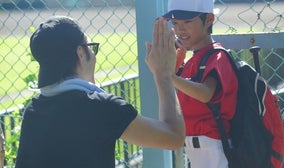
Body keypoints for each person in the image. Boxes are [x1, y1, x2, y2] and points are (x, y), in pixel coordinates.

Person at [15, 16, 185, 168]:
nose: (94, 56)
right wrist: (163, 73)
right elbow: (173, 137)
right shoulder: (101, 107)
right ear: (80, 53)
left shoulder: (33, 110)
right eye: (91, 47)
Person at [162, 0, 238, 167]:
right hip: (196, 146)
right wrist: (172, 68)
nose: (180, 29)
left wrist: (170, 77)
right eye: (175, 23)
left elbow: (206, 93)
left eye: (188, 21)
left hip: (215, 146)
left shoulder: (217, 56)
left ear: (209, 19)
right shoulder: (192, 60)